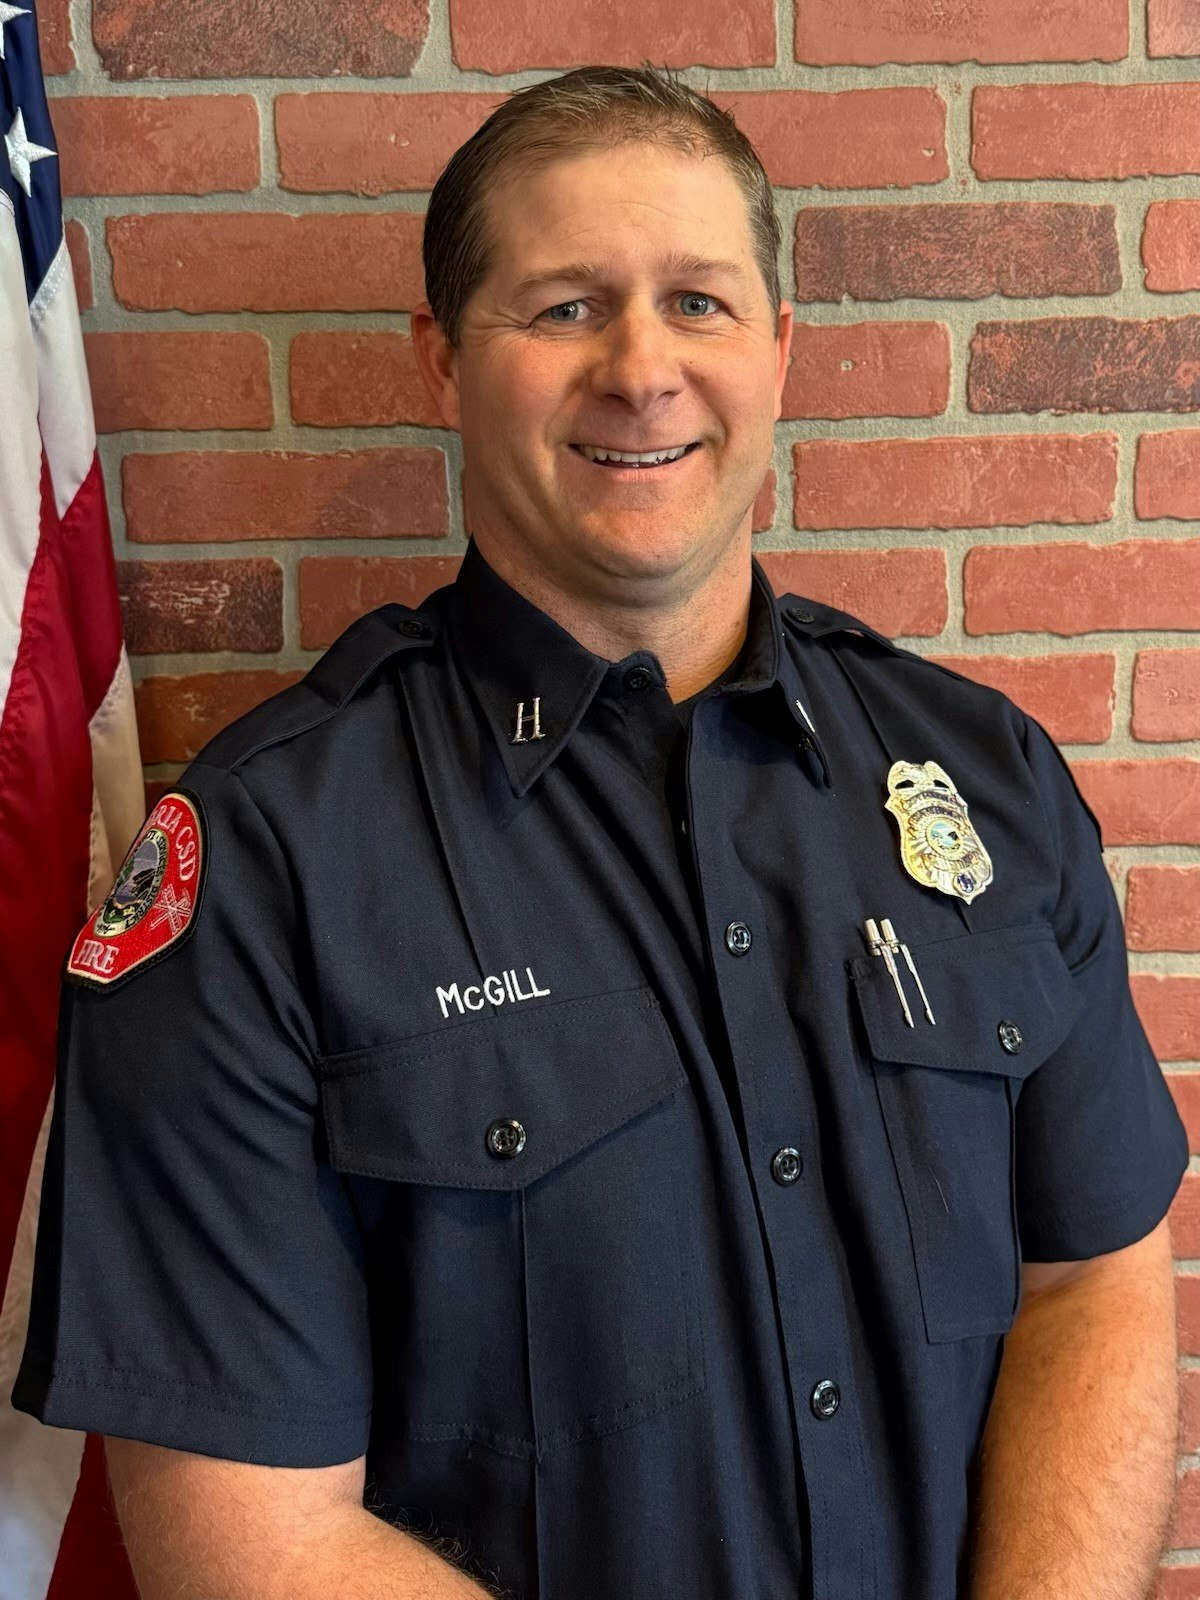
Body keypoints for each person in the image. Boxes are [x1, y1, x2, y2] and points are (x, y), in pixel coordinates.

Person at [14, 63, 1187, 1600]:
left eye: (698, 301)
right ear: (439, 360)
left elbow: (1096, 1276)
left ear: (779, 347)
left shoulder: (991, 781)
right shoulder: (263, 868)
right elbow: (252, 1540)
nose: (642, 370)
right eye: (563, 307)